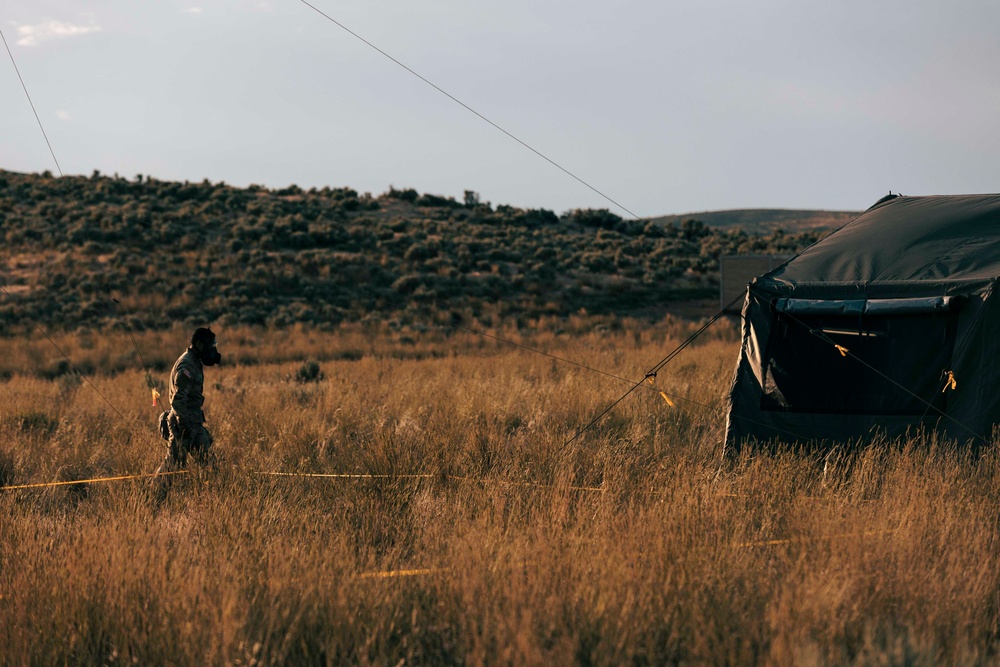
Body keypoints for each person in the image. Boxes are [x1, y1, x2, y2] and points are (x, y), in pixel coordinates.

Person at [156, 327, 222, 475]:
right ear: (199, 344)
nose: (212, 350)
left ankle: (214, 492)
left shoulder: (194, 362)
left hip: (193, 422)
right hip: (183, 425)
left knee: (211, 466)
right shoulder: (187, 365)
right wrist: (184, 427)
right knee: (173, 466)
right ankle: (153, 494)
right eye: (209, 346)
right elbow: (178, 401)